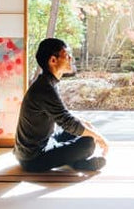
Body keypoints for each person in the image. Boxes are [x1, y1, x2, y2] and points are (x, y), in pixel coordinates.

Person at [14, 38, 109, 172]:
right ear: (53, 60)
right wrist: (99, 138)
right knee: (88, 143)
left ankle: (75, 162)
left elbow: (63, 116)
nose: (71, 58)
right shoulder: (45, 88)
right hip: (32, 157)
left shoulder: (48, 82)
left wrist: (85, 124)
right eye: (67, 55)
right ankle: (77, 163)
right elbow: (67, 122)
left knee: (83, 130)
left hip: (45, 141)